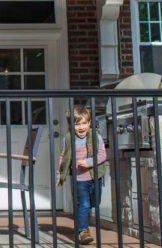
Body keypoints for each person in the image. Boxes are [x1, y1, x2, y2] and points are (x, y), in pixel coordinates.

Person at [56, 105, 106, 245]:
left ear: (89, 123)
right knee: (83, 204)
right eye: (77, 124)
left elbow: (102, 155)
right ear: (71, 125)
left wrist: (89, 162)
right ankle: (83, 231)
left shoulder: (96, 137)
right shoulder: (68, 139)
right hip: (80, 179)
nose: (81, 127)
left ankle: (83, 222)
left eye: (84, 123)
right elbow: (62, 157)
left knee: (94, 202)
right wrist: (59, 175)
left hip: (95, 176)